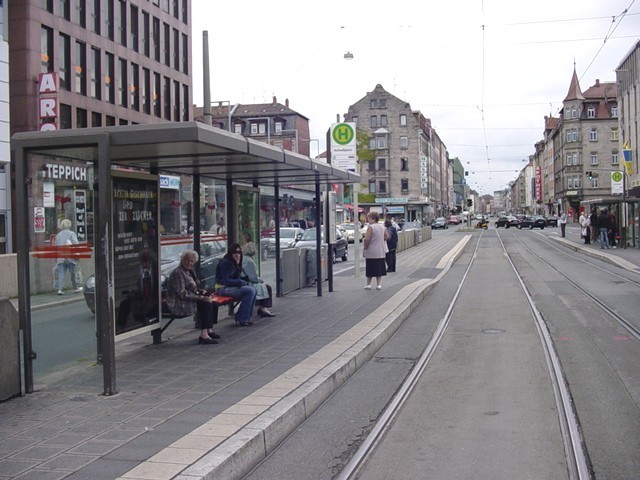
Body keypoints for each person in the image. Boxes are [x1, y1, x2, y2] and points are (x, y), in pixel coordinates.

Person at [166, 249, 221, 345]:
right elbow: (182, 293)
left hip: (190, 298)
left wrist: (201, 292)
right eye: (187, 260)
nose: (190, 263)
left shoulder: (190, 271)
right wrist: (201, 298)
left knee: (213, 302)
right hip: (179, 302)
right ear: (182, 260)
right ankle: (203, 335)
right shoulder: (178, 273)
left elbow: (194, 287)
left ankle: (209, 330)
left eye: (192, 261)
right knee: (206, 304)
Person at [215, 244, 257, 326]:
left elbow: (237, 277)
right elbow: (226, 280)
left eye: (239, 252)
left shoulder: (236, 262)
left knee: (253, 289)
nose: (237, 254)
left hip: (230, 287)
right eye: (235, 252)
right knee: (250, 291)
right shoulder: (226, 263)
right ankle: (242, 318)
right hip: (222, 288)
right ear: (230, 253)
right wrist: (240, 282)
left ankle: (246, 317)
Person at [116, 248, 156, 333]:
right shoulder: (143, 272)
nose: (144, 264)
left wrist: (135, 294)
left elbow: (147, 290)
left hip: (149, 300)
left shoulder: (152, 272)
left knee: (129, 305)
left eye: (146, 262)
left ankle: (123, 326)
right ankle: (120, 326)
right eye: (143, 262)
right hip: (143, 297)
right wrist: (132, 292)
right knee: (124, 303)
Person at [241, 249, 275, 317]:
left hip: (244, 281)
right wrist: (259, 280)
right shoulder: (249, 261)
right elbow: (253, 276)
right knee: (267, 288)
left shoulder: (243, 259)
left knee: (263, 287)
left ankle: (261, 308)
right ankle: (264, 308)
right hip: (248, 282)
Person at [55, 218, 83, 295]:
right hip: (70, 256)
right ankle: (76, 287)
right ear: (69, 225)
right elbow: (75, 244)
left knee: (61, 273)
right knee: (73, 273)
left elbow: (56, 247)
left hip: (61, 257)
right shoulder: (71, 233)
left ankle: (59, 289)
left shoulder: (58, 235)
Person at [363, 212, 389, 290]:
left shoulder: (371, 227)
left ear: (373, 219)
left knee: (370, 268)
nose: (368, 220)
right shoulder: (382, 227)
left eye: (369, 218)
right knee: (379, 268)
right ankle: (379, 284)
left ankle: (368, 284)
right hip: (380, 251)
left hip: (371, 251)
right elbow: (387, 236)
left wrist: (365, 247)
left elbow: (367, 239)